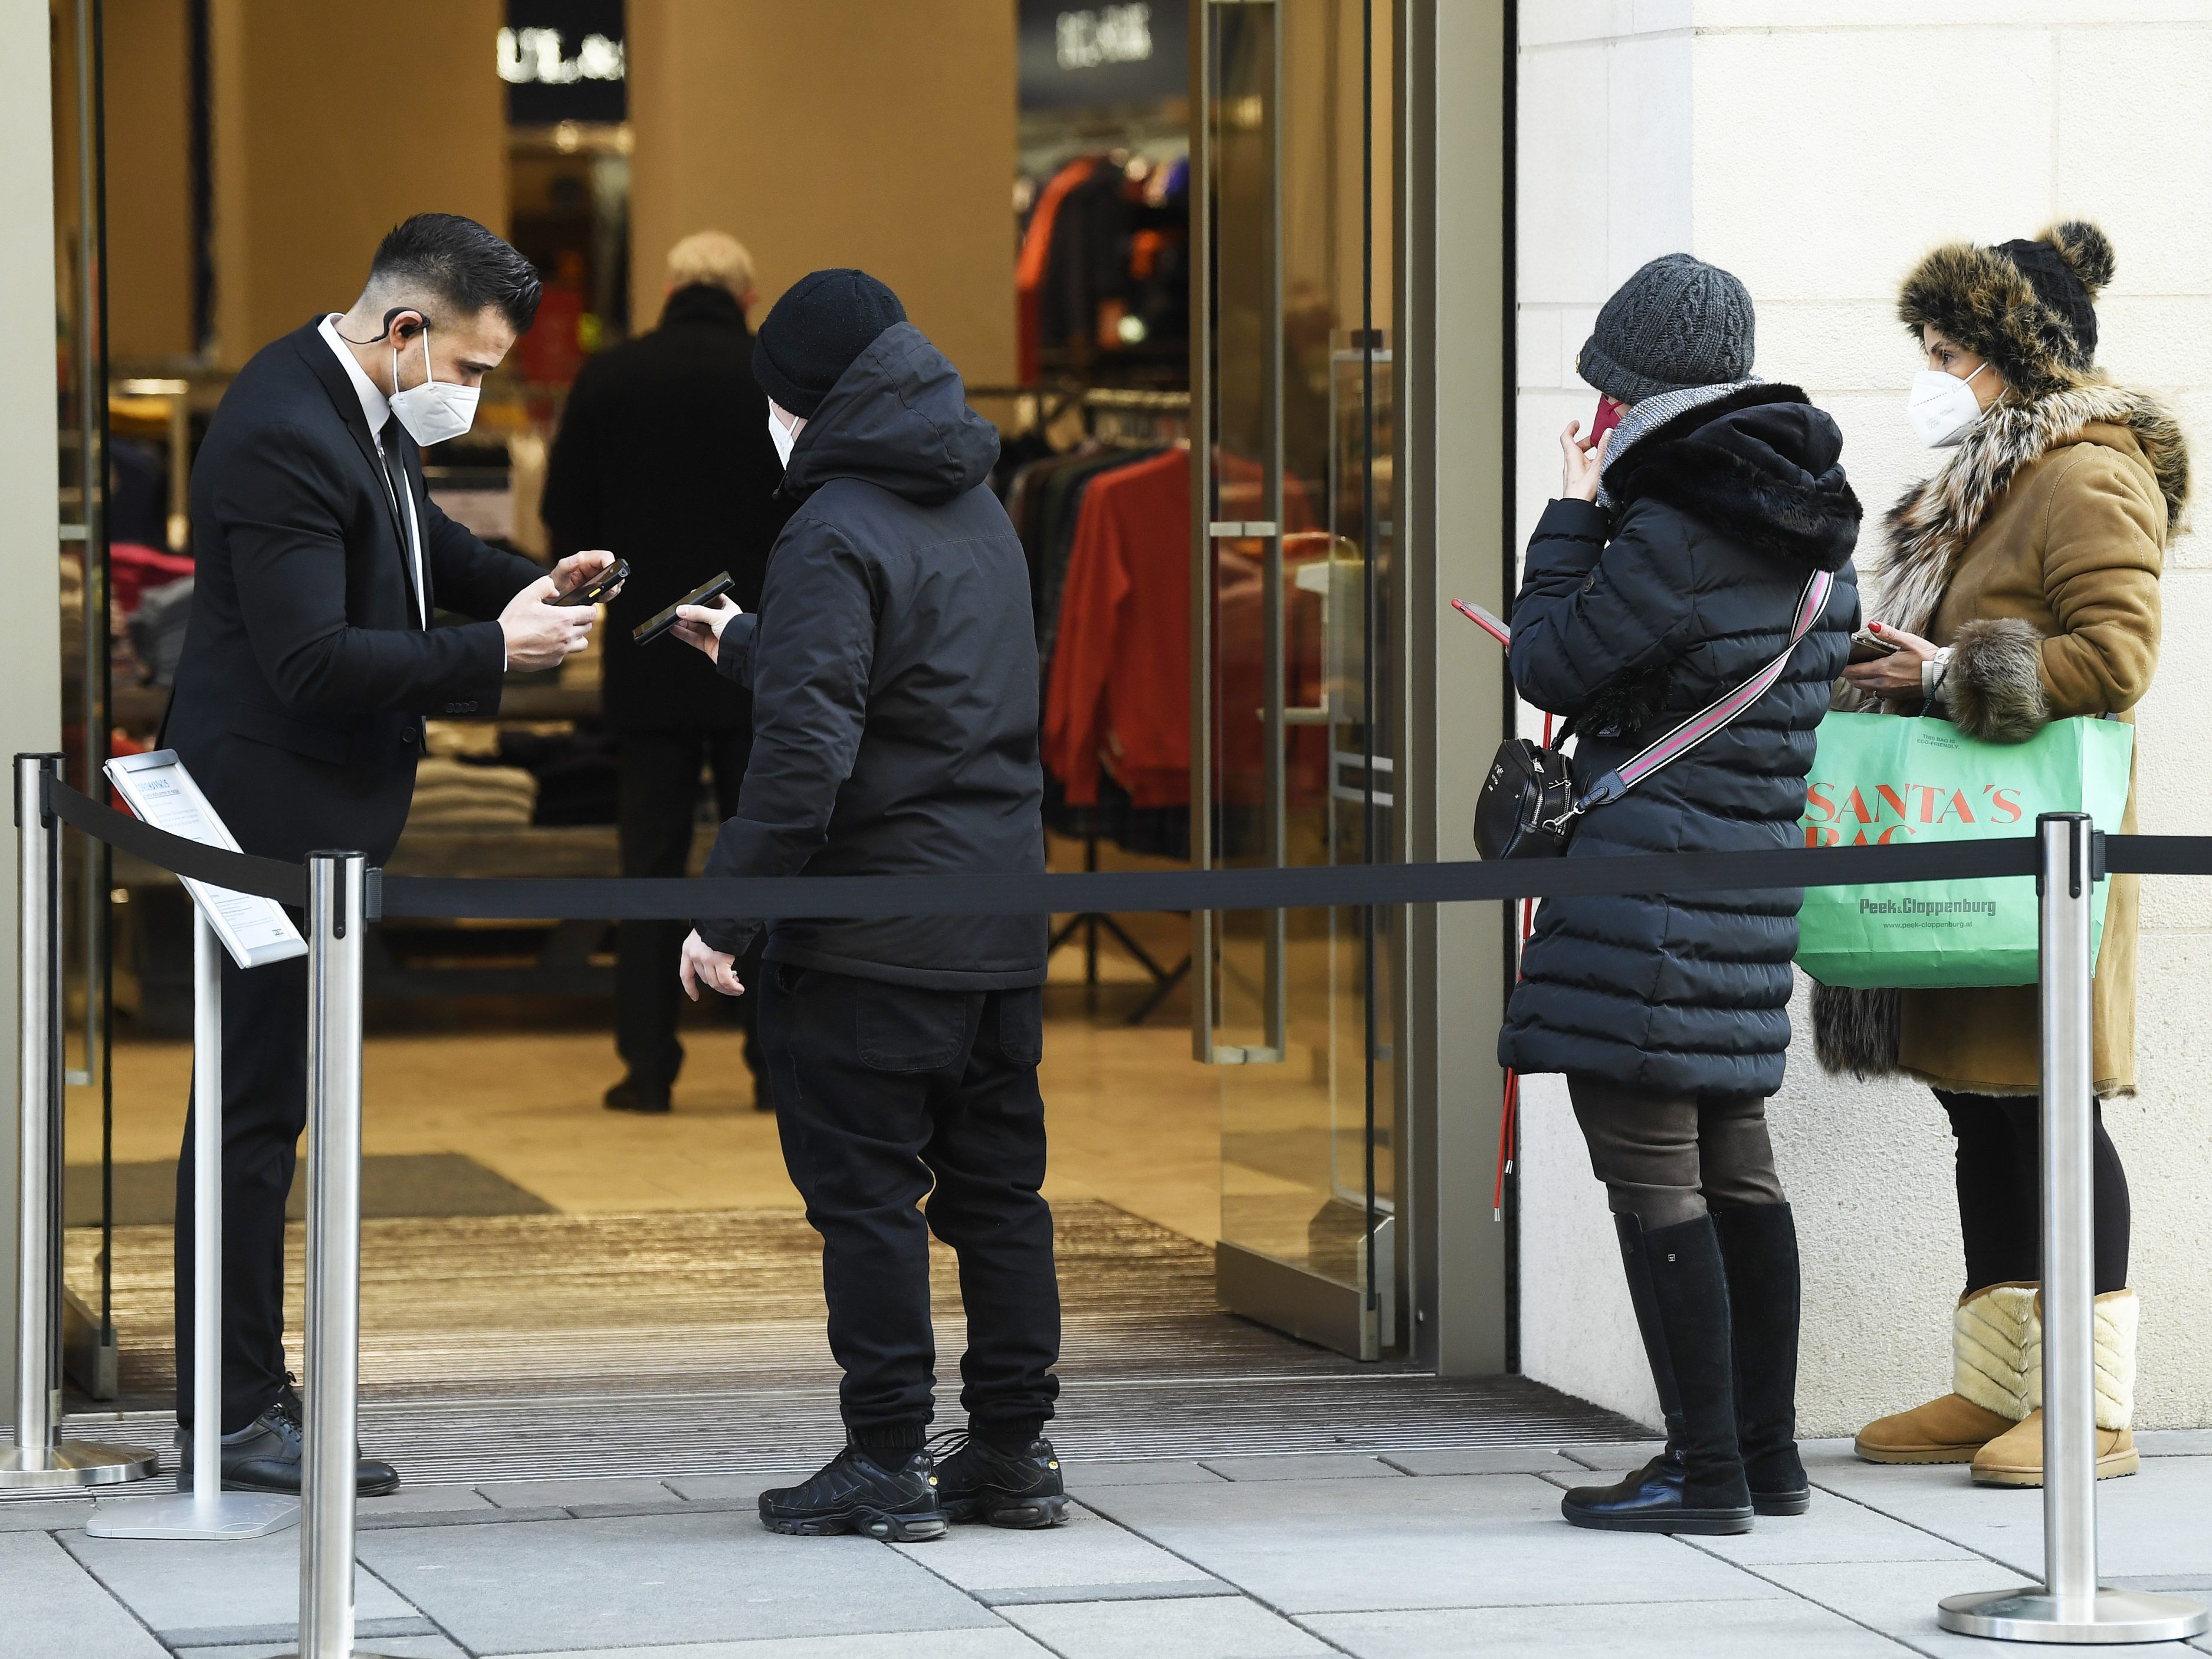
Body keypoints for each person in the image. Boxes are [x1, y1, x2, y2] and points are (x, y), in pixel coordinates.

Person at [162, 213, 617, 1493]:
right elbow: (312, 662)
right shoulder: (283, 429)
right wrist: (499, 655)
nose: (474, 394)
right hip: (270, 817)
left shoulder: (351, 404)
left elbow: (420, 555)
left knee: (268, 1107)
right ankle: (234, 1405)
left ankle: (244, 1390)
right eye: (469, 369)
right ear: (405, 329)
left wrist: (531, 583)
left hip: (316, 810)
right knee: (254, 1113)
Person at [672, 270, 1066, 1542]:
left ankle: (885, 1454)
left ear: (799, 399)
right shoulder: (980, 508)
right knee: (1000, 1199)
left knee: (868, 1201)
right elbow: (930, 689)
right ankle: (1011, 1453)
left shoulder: (834, 525)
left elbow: (806, 760)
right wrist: (747, 643)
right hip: (998, 918)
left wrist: (722, 916)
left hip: (872, 938)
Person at [1498, 254, 1861, 1534]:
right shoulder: (1819, 538)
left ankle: (1703, 1474)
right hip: (1746, 897)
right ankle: (1768, 1460)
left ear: (1638, 397)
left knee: (1653, 1177)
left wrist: (1570, 513)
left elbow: (1549, 662)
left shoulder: (1663, 530)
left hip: (1643, 893)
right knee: (1738, 1170)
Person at [1830, 222, 2183, 1487]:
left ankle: (2092, 1408)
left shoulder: (2085, 473)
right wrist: (1898, 669)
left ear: (2014, 358)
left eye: (1948, 349)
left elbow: (2118, 660)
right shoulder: (1981, 480)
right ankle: (1997, 1383)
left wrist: (1946, 670)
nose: (1930, 370)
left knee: (2053, 1114)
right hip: (1971, 851)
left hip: (2038, 856)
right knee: (1982, 1110)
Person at [542, 230, 792, 1115]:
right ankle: (773, 1063)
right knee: (765, 850)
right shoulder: (774, 373)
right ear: (748, 295)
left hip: (649, 656)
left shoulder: (613, 374)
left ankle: (647, 1066)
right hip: (762, 652)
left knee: (646, 862)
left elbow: (564, 512)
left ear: (668, 287)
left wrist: (619, 591)